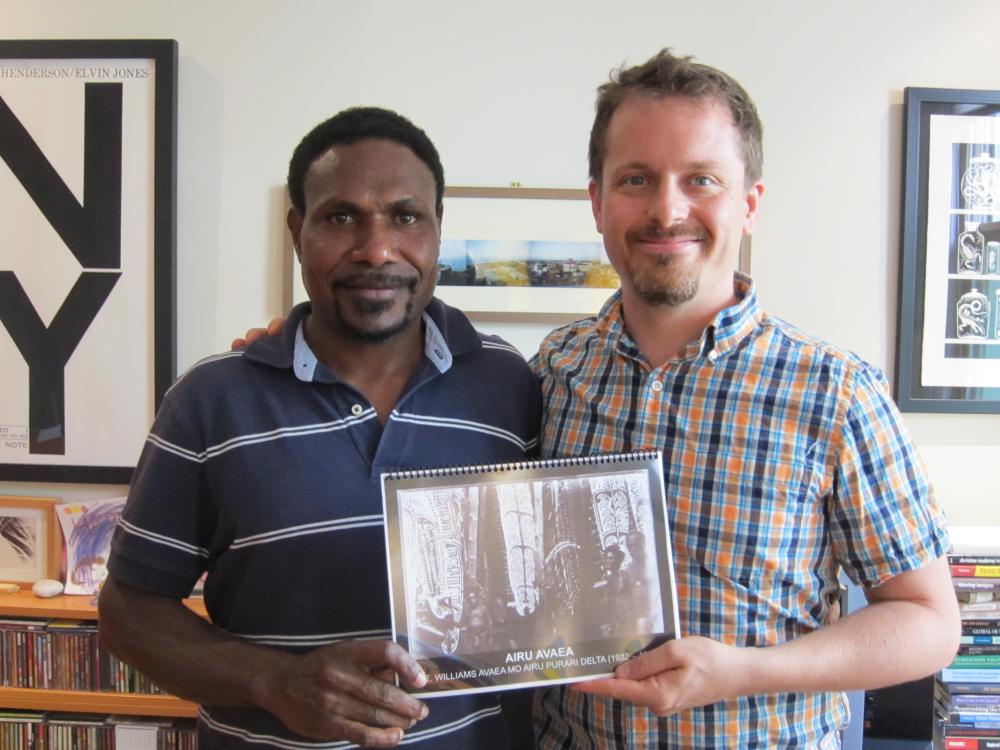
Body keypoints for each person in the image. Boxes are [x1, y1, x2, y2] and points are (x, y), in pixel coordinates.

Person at [530, 49, 960, 747]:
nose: (668, 209)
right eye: (637, 179)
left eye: (701, 179)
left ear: (750, 204)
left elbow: (931, 624)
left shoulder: (837, 391)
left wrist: (747, 671)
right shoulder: (555, 369)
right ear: (598, 202)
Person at [98, 106, 541, 749]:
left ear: (438, 229)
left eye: (405, 216)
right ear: (296, 229)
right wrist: (275, 681)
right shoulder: (210, 400)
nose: (377, 249)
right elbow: (126, 616)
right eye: (341, 217)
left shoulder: (512, 385)